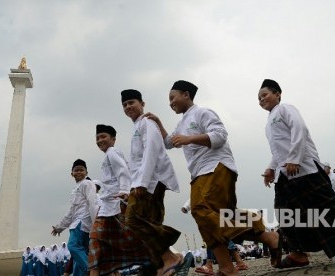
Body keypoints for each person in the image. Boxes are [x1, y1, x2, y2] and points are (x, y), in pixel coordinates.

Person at [145, 80, 280, 276]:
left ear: (186, 94)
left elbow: (220, 135)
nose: (170, 103)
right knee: (222, 215)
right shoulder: (181, 123)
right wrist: (158, 122)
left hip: (216, 166)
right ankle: (244, 249)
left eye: (172, 98)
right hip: (199, 174)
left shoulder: (202, 113)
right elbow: (168, 142)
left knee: (201, 210)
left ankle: (252, 245)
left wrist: (189, 139)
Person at [258, 79, 335, 267]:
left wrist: (294, 158)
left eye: (265, 95)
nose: (261, 100)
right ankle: (298, 253)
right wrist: (271, 168)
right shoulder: (268, 122)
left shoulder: (286, 108)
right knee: (286, 213)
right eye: (259, 98)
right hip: (285, 174)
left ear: (278, 94)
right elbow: (278, 150)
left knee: (326, 210)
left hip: (304, 168)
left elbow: (299, 130)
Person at [120, 89, 193, 276]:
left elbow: (152, 151)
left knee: (133, 221)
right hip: (143, 182)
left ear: (142, 103)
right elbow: (136, 162)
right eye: (125, 104)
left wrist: (142, 184)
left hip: (151, 181)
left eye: (132, 102)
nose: (128, 106)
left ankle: (172, 258)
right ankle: (160, 265)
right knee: (149, 222)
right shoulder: (137, 126)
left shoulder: (146, 122)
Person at [88, 124, 154, 276]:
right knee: (96, 239)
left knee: (132, 237)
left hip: (117, 204)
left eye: (103, 136)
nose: (99, 140)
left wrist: (125, 190)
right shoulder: (108, 155)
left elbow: (123, 171)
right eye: (97, 138)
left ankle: (164, 259)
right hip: (107, 206)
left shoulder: (112, 152)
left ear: (113, 139)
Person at [51, 159, 98, 276]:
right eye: (76, 170)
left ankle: (91, 270)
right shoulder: (75, 188)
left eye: (82, 170)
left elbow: (93, 203)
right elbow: (71, 212)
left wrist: (95, 223)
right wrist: (59, 227)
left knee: (73, 246)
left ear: (87, 172)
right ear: (71, 173)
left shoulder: (87, 184)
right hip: (79, 223)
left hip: (82, 223)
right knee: (80, 254)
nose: (79, 172)